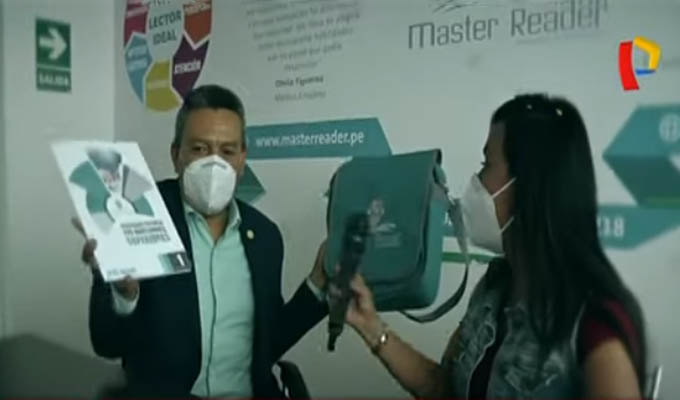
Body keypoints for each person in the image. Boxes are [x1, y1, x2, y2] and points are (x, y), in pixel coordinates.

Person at [344, 94, 647, 399]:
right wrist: (370, 326)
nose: (476, 181)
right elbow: (443, 389)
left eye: (486, 164)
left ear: (528, 184)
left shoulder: (595, 329)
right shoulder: (494, 287)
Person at [76, 85, 329, 398]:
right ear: (176, 155)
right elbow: (107, 343)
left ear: (242, 159)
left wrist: (318, 284)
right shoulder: (137, 214)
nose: (214, 164)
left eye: (228, 151)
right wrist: (124, 295)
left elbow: (267, 344)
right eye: (199, 148)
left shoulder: (265, 236)